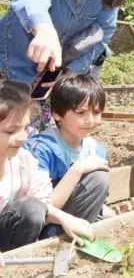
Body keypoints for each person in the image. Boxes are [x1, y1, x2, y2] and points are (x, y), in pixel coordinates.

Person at [0, 80, 94, 252]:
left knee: (34, 208)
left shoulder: (22, 161)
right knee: (31, 209)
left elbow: (42, 201)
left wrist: (64, 218)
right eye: (11, 131)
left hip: (10, 234)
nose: (22, 137)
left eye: (25, 128)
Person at [24, 75, 110, 233]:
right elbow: (40, 208)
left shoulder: (97, 150)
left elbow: (92, 201)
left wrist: (114, 212)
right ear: (57, 114)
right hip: (42, 228)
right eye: (81, 113)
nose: (90, 120)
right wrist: (78, 169)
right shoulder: (40, 149)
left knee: (99, 178)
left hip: (79, 223)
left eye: (97, 112)